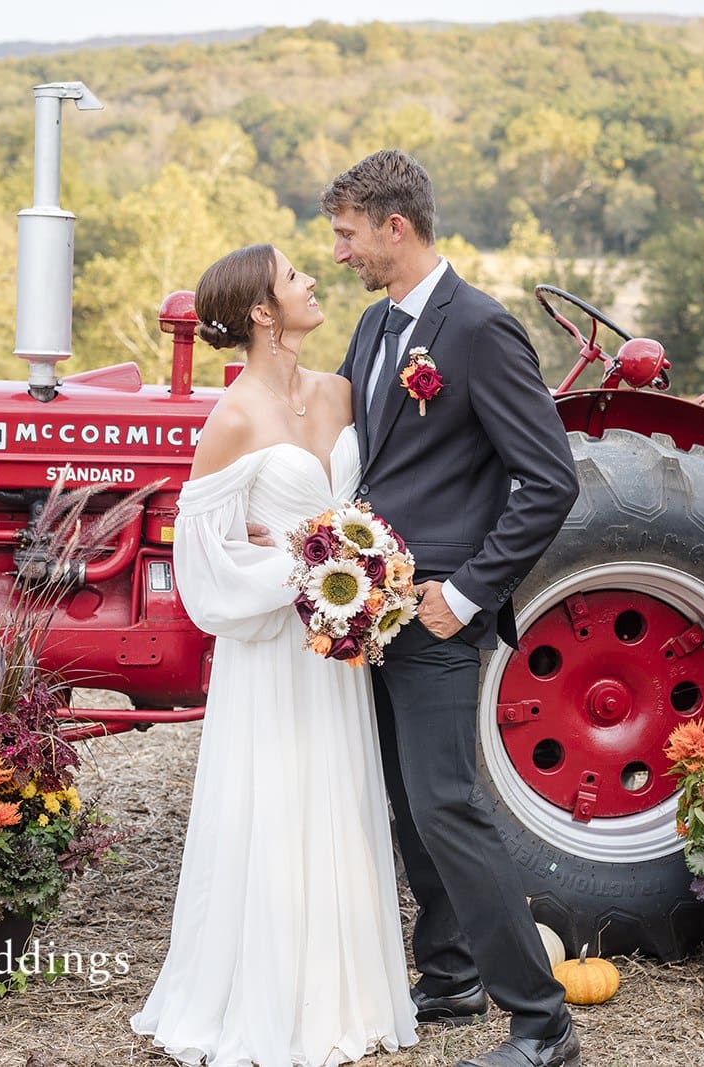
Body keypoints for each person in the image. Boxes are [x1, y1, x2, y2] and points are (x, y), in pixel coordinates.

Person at [318, 151, 582, 1067]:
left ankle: (543, 1022)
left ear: (397, 227)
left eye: (348, 233)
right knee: (401, 802)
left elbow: (548, 481)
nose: (341, 251)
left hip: (436, 612)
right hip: (373, 612)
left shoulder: (477, 329)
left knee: (447, 804)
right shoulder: (370, 325)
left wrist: (466, 591)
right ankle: (451, 973)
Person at [130, 243, 418, 1066]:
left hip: (340, 647)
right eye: (296, 277)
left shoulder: (340, 392)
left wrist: (364, 572)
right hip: (276, 647)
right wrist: (300, 564)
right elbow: (203, 553)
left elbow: (368, 506)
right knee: (276, 800)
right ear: (262, 311)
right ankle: (264, 996)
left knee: (339, 792)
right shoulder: (235, 417)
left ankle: (346, 991)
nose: (313, 281)